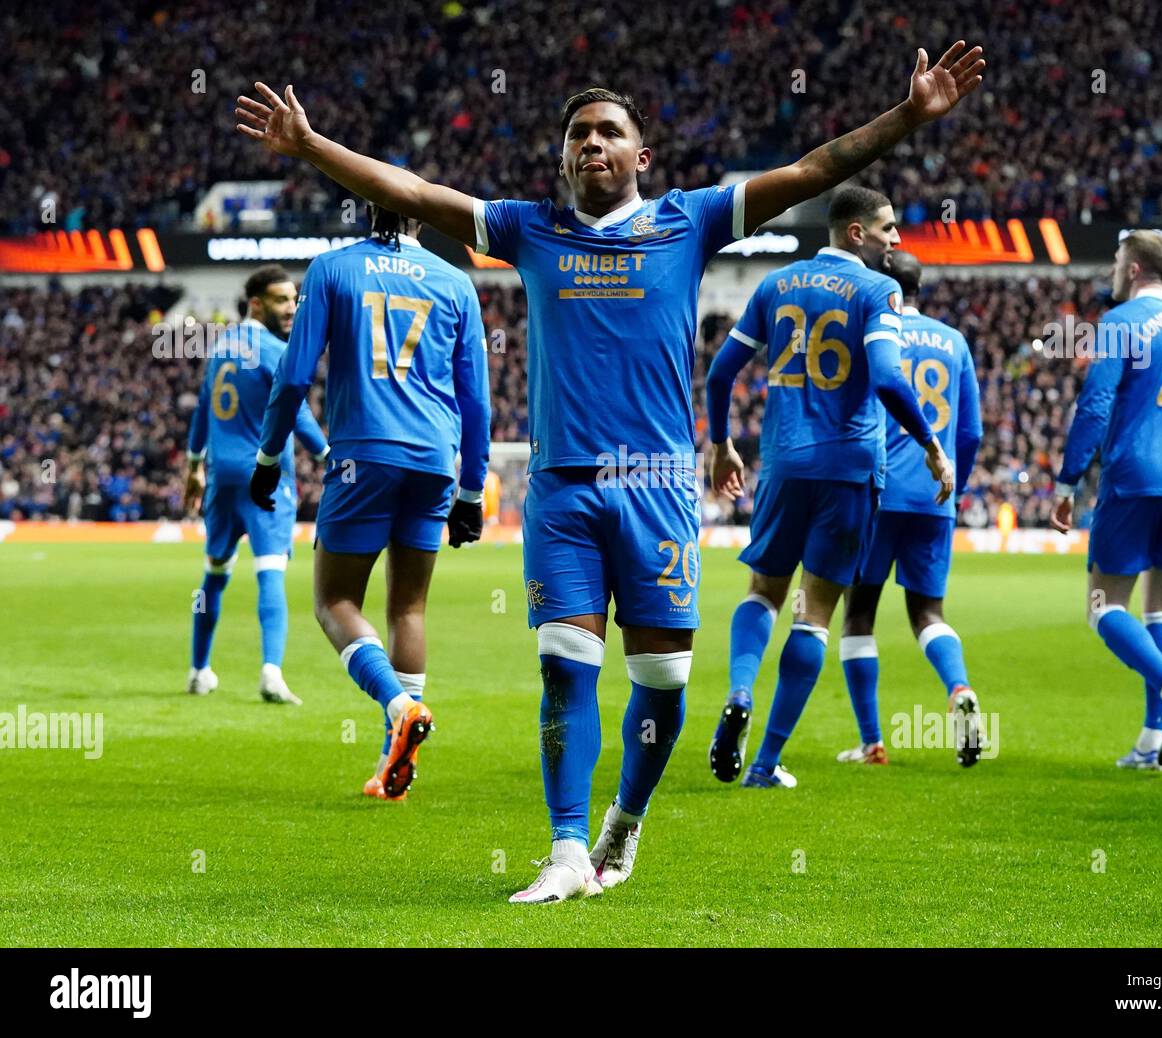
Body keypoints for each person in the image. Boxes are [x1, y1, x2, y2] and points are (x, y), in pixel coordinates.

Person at [234, 39, 985, 901]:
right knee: (564, 667)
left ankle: (623, 824)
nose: (593, 144)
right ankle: (561, 851)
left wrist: (909, 117)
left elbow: (814, 169)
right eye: (579, 136)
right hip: (563, 490)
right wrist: (310, 145)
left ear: (641, 155)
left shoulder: (690, 219)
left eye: (609, 133)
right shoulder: (528, 229)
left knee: (661, 688)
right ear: (562, 158)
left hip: (660, 490)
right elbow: (412, 193)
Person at [705, 205, 953, 788]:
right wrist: (932, 445)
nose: (896, 239)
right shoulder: (879, 289)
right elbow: (890, 379)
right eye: (889, 228)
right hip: (850, 470)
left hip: (786, 464)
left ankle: (740, 690)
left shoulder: (776, 283)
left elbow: (720, 374)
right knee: (815, 615)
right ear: (856, 231)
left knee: (764, 592)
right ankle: (764, 763)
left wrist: (720, 444)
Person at [249, 205, 490, 800]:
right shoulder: (457, 280)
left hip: (364, 453)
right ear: (420, 215)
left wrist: (269, 456)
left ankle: (398, 704)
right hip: (436, 458)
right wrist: (473, 491)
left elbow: (294, 376)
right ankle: (392, 766)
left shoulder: (332, 270)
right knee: (408, 609)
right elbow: (477, 399)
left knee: (334, 600)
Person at [1050, 231, 1162, 770]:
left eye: (1119, 261)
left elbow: (1094, 405)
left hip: (1135, 473)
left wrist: (1067, 481)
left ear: (1137, 267)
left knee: (1103, 608)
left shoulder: (1119, 324)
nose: (1114, 271)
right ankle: (1150, 741)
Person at [836, 250, 985, 768]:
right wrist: (954, 490)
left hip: (876, 491)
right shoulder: (954, 340)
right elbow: (971, 432)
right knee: (928, 614)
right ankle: (959, 686)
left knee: (858, 614)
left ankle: (872, 741)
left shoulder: (873, 334)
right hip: (932, 496)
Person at [184, 264, 328, 705]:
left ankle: (199, 669)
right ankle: (271, 672)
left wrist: (193, 465)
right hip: (264, 478)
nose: (292, 308)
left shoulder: (222, 347)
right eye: (282, 300)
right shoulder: (270, 350)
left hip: (220, 478)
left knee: (214, 573)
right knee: (271, 573)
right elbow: (296, 411)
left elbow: (203, 412)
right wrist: (328, 457)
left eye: (294, 300)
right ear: (256, 304)